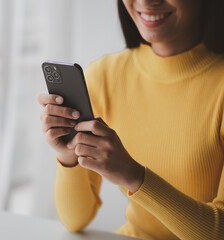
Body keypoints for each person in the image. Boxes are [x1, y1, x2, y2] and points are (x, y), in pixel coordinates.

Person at [37, 0, 224, 239]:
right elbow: (75, 219)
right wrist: (68, 155)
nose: (146, 2)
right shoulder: (105, 75)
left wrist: (134, 176)